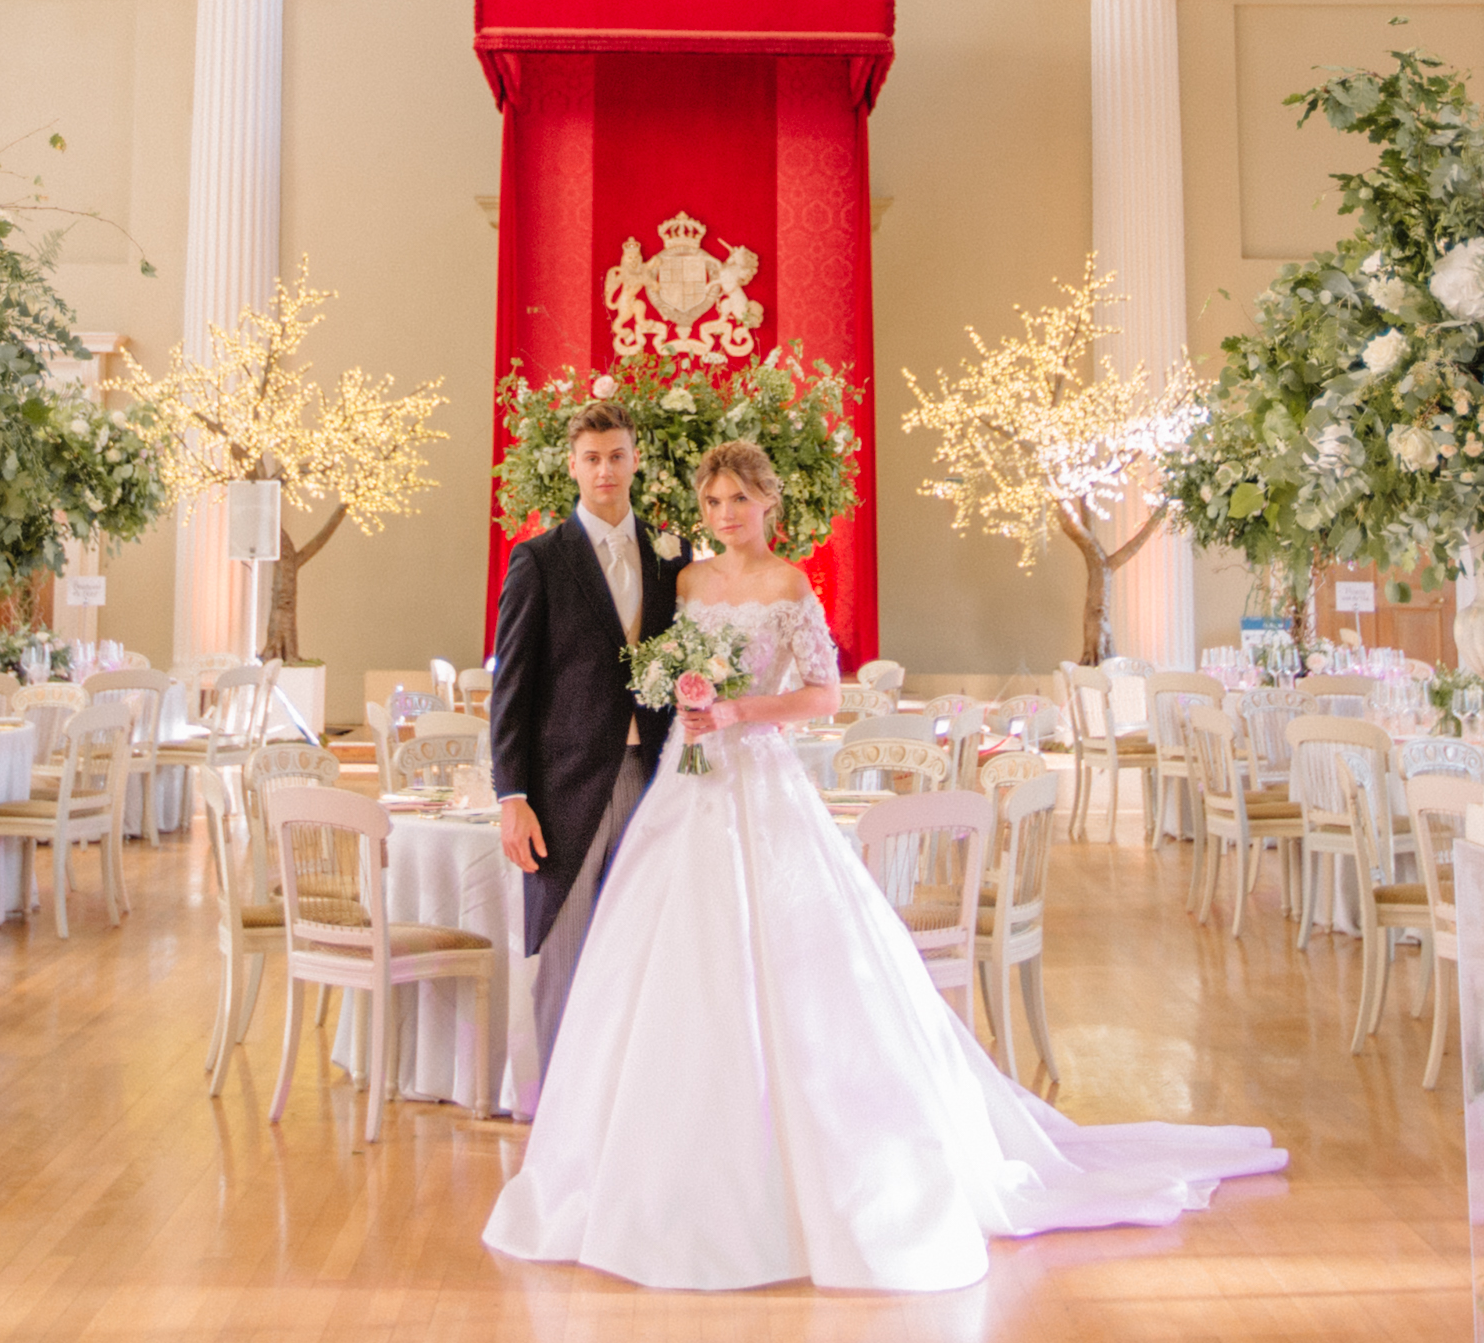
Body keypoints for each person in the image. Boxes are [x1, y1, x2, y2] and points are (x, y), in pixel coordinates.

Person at [485, 441, 1284, 1292]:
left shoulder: (791, 585)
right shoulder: (682, 583)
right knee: (667, 958)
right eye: (713, 502)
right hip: (684, 784)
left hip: (757, 776)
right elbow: (647, 671)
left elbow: (825, 694)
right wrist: (682, 694)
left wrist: (742, 708)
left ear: (768, 505)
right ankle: (659, 1158)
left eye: (739, 502)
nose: (725, 516)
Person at [483, 401, 677, 1074]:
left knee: (643, 947)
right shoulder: (538, 560)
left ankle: (618, 1105)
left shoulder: (668, 556)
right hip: (564, 787)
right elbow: (511, 689)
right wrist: (512, 794)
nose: (605, 470)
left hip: (653, 778)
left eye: (617, 456)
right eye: (592, 458)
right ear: (573, 465)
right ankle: (550, 1109)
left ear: (635, 460)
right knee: (563, 952)